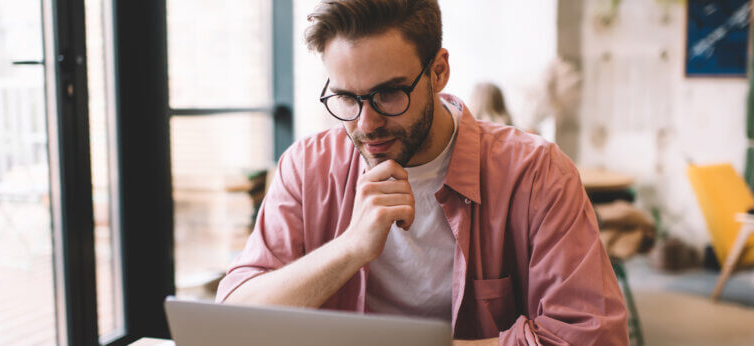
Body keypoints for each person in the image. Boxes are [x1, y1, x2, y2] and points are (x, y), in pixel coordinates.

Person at [216, 1, 628, 344]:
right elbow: (232, 321)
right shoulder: (308, 167)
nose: (365, 124)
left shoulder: (536, 173)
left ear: (438, 72)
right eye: (345, 97)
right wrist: (350, 248)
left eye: (389, 93)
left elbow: (593, 337)